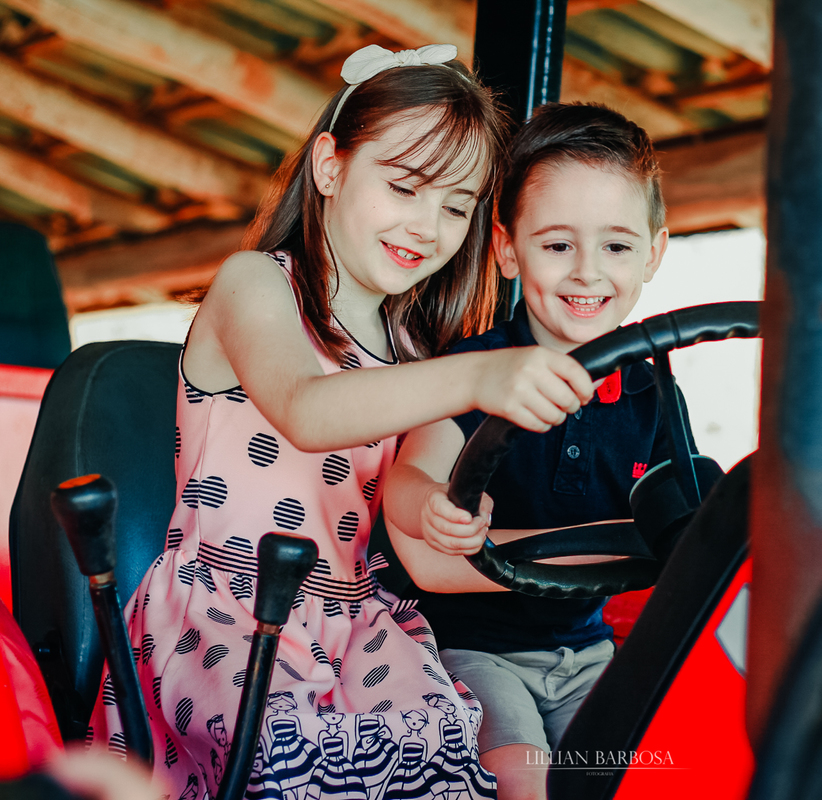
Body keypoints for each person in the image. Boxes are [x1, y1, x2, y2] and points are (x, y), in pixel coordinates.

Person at [87, 45, 596, 800]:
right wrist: (482, 374)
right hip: (230, 612)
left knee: (441, 751)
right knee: (289, 757)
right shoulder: (255, 285)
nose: (428, 225)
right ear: (329, 167)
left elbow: (406, 505)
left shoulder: (413, 349)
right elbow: (307, 410)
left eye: (456, 207)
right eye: (405, 187)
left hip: (352, 620)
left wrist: (444, 511)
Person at [385, 102, 701, 800]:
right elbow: (407, 477)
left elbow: (681, 517)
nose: (588, 273)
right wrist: (430, 505)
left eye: (616, 247)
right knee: (526, 782)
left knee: (652, 777)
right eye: (558, 246)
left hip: (588, 650)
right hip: (475, 652)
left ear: (653, 252)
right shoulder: (472, 371)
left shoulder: (655, 392)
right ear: (508, 250)